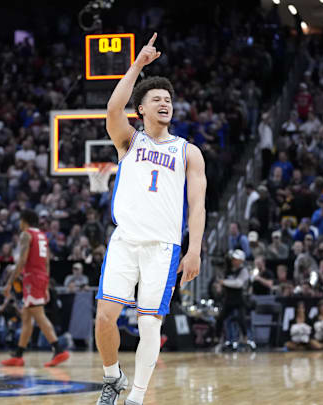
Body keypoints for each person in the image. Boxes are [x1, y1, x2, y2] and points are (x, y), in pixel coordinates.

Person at [95, 33, 206, 405]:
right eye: (156, 99)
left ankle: (136, 399)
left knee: (148, 325)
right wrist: (138, 65)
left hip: (163, 248)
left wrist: (195, 251)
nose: (164, 103)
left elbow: (198, 206)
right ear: (140, 109)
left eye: (168, 100)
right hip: (125, 241)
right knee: (105, 318)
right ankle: (113, 378)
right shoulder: (130, 141)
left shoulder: (188, 152)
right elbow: (112, 109)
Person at [1, 210, 70, 368]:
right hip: (40, 277)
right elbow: (47, 262)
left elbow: (23, 260)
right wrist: (45, 284)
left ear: (24, 221)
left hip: (32, 278)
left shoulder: (26, 234)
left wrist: (9, 282)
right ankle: (18, 355)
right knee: (26, 317)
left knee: (39, 316)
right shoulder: (42, 236)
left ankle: (58, 349)